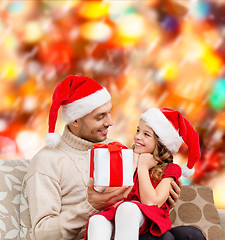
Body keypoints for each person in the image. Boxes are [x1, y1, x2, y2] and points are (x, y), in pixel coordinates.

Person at [24, 75, 204, 240]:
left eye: (109, 112)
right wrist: (91, 206)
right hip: (98, 231)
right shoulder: (47, 161)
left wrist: (163, 199)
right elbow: (42, 234)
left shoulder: (119, 149)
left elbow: (141, 201)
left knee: (191, 235)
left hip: (128, 227)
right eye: (100, 117)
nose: (110, 122)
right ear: (75, 120)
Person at [85, 107, 202, 240]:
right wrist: (132, 165)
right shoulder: (125, 158)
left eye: (146, 134)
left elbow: (151, 203)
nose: (138, 137)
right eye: (138, 130)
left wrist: (142, 168)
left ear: (161, 144)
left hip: (148, 220)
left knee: (127, 208)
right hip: (119, 216)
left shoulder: (171, 169)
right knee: (97, 221)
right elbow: (112, 197)